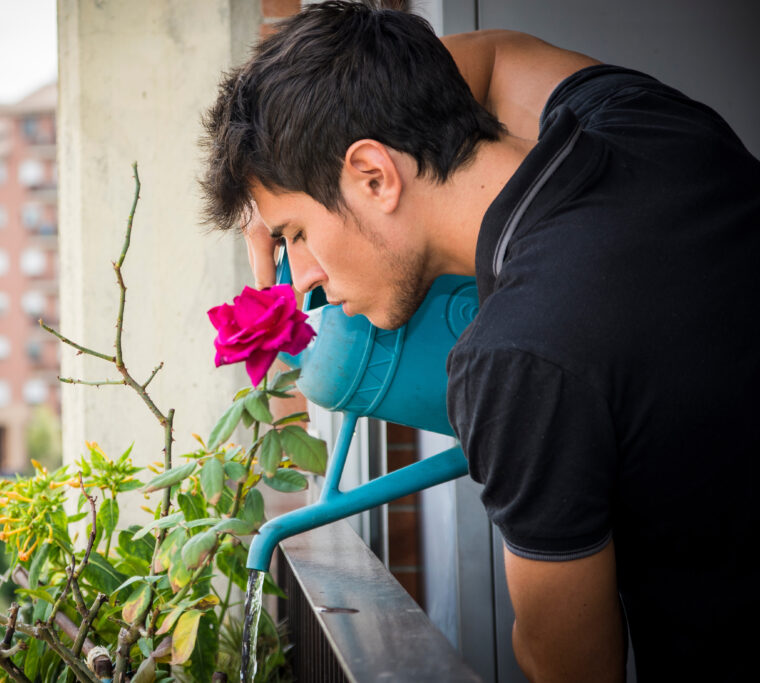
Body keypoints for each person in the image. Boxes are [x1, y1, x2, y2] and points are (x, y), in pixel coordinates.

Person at [198, 2, 760, 682]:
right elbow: (489, 59)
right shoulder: (639, 116)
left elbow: (573, 666)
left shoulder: (518, 356)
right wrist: (345, 94)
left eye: (293, 233)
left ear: (375, 176)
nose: (304, 280)